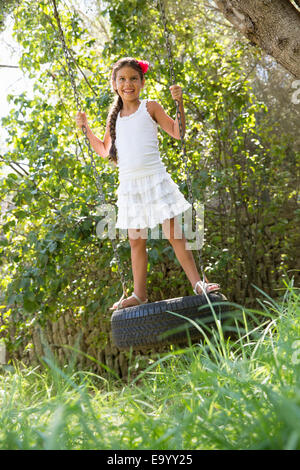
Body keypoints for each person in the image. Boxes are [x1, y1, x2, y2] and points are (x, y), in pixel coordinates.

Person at [76, 57, 220, 310]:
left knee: (175, 234)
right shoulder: (115, 119)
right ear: (114, 84)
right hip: (130, 185)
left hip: (154, 179)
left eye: (133, 78)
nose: (127, 84)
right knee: (136, 240)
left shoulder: (149, 107)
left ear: (141, 82)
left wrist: (179, 103)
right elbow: (103, 150)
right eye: (122, 79)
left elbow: (178, 132)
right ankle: (139, 294)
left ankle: (198, 283)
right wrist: (86, 128)